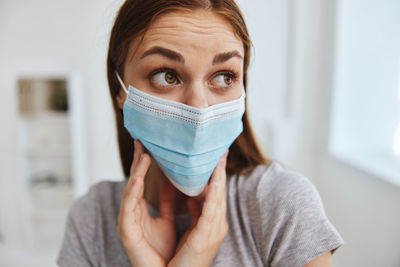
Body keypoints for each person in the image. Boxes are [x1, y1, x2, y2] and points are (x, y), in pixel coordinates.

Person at [57, 0, 344, 266]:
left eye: (224, 77)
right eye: (167, 75)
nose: (199, 107)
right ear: (121, 90)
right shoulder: (92, 219)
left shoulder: (284, 205)